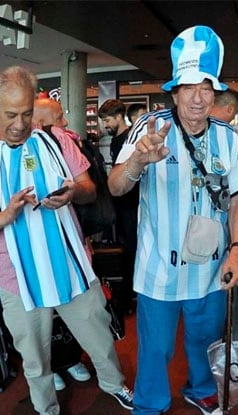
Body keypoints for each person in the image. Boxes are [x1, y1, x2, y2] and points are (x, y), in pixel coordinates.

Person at [0, 65, 133, 415]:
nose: (20, 124)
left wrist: (72, 194)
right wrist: (3, 216)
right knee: (34, 356)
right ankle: (45, 411)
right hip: (16, 278)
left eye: (26, 114)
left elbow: (89, 188)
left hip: (70, 265)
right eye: (10, 115)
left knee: (99, 336)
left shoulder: (55, 142)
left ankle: (115, 384)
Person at [108, 25, 238, 415]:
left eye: (206, 86)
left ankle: (200, 389)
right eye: (189, 86)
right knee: (157, 347)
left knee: (205, 338)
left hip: (209, 264)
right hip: (159, 269)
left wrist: (237, 251)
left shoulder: (226, 137)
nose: (198, 97)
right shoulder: (150, 128)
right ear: (174, 92)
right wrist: (138, 162)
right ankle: (149, 406)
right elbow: (116, 185)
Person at [31, 97, 95, 391]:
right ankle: (50, 365)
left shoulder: (66, 142)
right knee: (40, 315)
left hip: (70, 241)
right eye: (59, 117)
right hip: (30, 249)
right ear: (40, 121)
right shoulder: (3, 149)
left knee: (75, 303)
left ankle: (71, 357)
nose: (66, 122)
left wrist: (72, 193)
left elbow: (89, 189)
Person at [99, 98, 139, 315]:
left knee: (132, 251)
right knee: (127, 251)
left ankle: (128, 299)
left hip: (132, 205)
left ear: (118, 117)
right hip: (124, 205)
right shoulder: (117, 140)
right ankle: (127, 297)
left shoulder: (128, 140)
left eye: (107, 120)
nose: (105, 125)